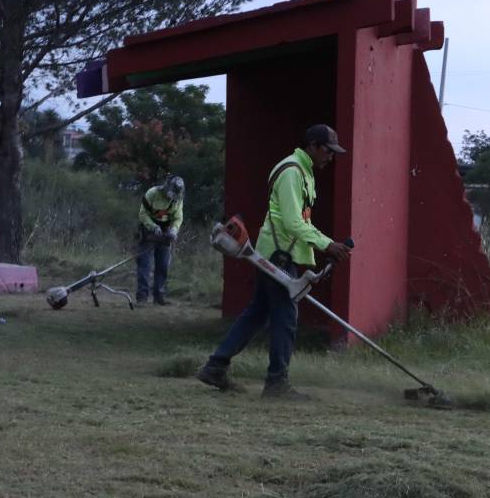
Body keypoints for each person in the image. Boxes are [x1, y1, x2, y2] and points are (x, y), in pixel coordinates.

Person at [196, 124, 352, 399]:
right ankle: (276, 383)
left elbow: (300, 219)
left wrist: (322, 246)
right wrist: (328, 244)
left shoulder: (303, 171)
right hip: (280, 255)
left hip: (279, 252)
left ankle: (216, 366)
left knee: (256, 313)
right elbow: (293, 222)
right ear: (313, 146)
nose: (331, 156)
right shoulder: (292, 172)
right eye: (328, 151)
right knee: (286, 319)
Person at [136, 175, 185, 305]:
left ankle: (159, 297)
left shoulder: (178, 199)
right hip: (148, 230)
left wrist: (174, 230)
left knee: (163, 265)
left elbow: (178, 217)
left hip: (166, 232)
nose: (172, 195)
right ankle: (142, 297)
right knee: (145, 264)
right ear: (167, 186)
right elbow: (142, 214)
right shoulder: (152, 193)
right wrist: (153, 227)